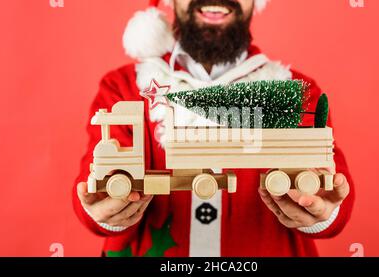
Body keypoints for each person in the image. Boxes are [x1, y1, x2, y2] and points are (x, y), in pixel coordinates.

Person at [73, 0, 355, 257]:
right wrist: (102, 208)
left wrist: (323, 210)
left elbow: (335, 192)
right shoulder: (122, 87)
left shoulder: (294, 91)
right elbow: (90, 188)